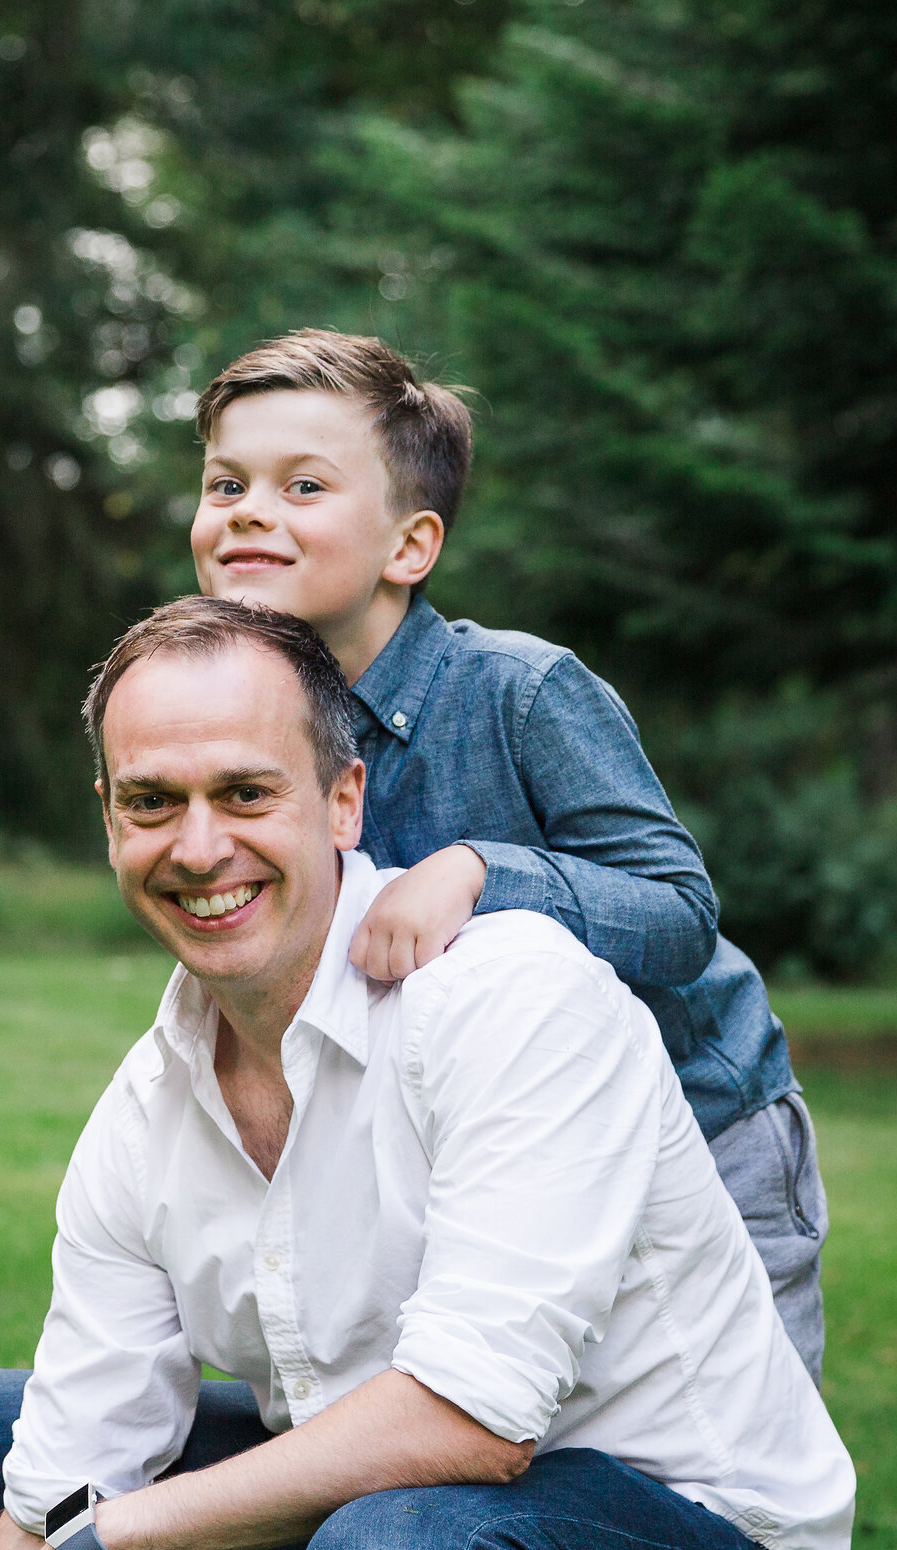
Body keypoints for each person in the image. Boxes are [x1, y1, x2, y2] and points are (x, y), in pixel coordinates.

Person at [0, 598, 858, 1550]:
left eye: (245, 794)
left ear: (343, 800)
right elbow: (60, 1484)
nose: (197, 848)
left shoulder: (511, 998)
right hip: (401, 1546)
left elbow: (469, 1422)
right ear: (107, 819)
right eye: (152, 801)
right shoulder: (146, 1109)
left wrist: (107, 1540)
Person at [187, 329, 830, 1378]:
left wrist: (483, 872)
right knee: (530, 1426)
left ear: (410, 546)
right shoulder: (257, 729)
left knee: (727, 1455)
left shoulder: (522, 691)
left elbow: (676, 912)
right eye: (226, 483)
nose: (250, 508)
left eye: (303, 485)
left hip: (705, 1139)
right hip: (498, 1155)